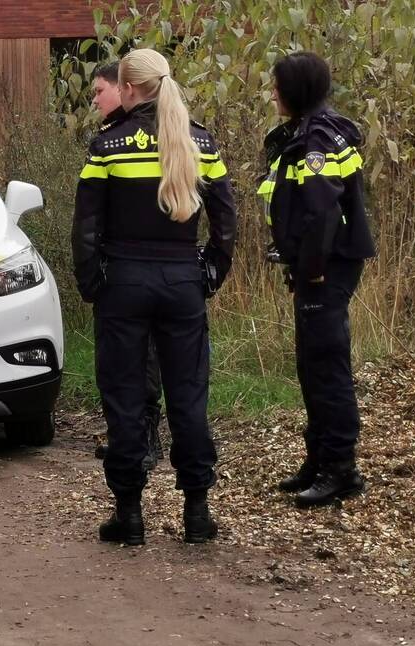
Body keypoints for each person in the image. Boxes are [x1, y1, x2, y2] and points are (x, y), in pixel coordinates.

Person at [71, 49, 237, 545]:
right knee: (189, 394)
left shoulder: (107, 146)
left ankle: (129, 514)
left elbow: (86, 226)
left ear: (127, 88)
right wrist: (211, 271)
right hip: (182, 280)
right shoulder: (200, 141)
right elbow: (226, 219)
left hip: (124, 282)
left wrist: (91, 284)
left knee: (124, 396)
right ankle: (197, 512)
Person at [260, 52, 376, 507]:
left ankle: (340, 469)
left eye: (277, 87)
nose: (273, 95)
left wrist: (311, 267)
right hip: (319, 264)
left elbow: (323, 210)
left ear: (296, 90)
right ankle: (319, 458)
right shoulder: (310, 133)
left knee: (326, 365)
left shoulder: (316, 141)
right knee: (311, 361)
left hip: (327, 266)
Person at [89, 61, 164, 470]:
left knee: (146, 356)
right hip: (115, 269)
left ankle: (147, 435)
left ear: (125, 88)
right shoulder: (107, 138)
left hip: (142, 268)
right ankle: (123, 431)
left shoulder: (145, 136)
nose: (96, 100)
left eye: (101, 92)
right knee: (113, 360)